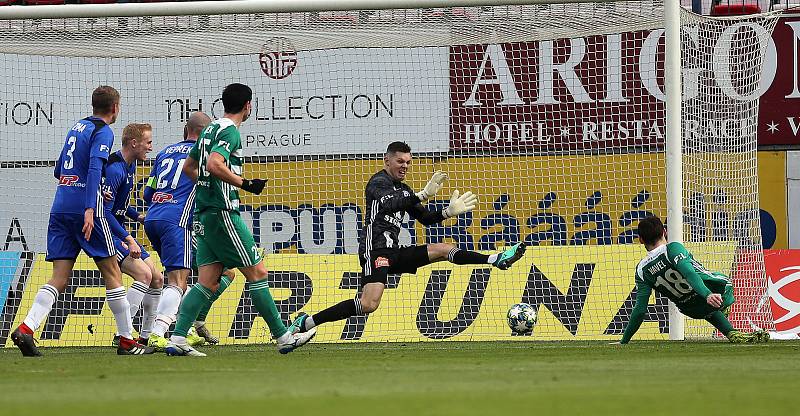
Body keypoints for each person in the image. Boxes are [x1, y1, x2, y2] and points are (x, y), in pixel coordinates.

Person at [292, 141, 527, 334]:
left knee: (444, 249)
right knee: (368, 304)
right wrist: (423, 194)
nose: (405, 166)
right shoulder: (378, 183)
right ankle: (306, 323)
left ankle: (495, 259)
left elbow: (424, 218)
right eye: (400, 161)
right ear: (387, 161)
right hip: (376, 251)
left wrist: (447, 212)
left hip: (395, 251)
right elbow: (390, 203)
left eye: (408, 163)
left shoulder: (405, 190)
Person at [164, 83, 316, 356]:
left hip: (205, 212)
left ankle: (177, 338)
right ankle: (283, 337)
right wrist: (243, 183)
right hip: (223, 213)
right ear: (248, 105)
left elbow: (189, 167)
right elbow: (214, 164)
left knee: (208, 280)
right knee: (257, 273)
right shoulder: (230, 132)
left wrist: (207, 187)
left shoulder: (209, 129)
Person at [10, 86, 153, 356]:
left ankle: (26, 329)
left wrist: (72, 184)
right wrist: (89, 207)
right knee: (112, 272)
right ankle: (126, 340)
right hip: (85, 209)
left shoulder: (76, 127)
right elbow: (96, 168)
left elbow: (58, 169)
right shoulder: (104, 131)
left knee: (59, 277)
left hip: (60, 206)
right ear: (115, 108)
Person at [143, 112, 233, 351]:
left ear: (185, 131)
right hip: (178, 221)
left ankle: (188, 327)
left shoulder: (164, 153)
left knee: (211, 273)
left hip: (153, 218)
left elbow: (147, 194)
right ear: (205, 134)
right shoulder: (203, 156)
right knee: (178, 281)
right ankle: (158, 332)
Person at [617, 215, 769, 344]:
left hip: (689, 309)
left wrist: (624, 340)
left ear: (641, 240)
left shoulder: (642, 270)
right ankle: (723, 307)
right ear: (665, 232)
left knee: (705, 308)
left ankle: (731, 332)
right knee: (724, 280)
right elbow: (689, 273)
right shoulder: (672, 248)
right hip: (710, 291)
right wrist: (707, 294)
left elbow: (640, 310)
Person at [101, 123, 163, 348]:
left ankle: (145, 338)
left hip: (119, 230)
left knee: (157, 278)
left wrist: (137, 216)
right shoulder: (115, 169)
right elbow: (104, 212)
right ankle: (122, 334)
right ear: (134, 143)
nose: (150, 146)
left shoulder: (130, 165)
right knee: (144, 276)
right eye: (148, 142)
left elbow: (119, 206)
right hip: (107, 233)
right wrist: (128, 239)